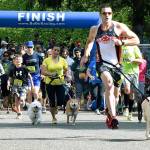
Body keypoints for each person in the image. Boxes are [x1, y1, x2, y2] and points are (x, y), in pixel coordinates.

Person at [80, 4, 140, 129]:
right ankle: (113, 117)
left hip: (117, 65)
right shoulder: (95, 29)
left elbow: (136, 40)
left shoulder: (118, 27)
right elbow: (90, 41)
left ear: (112, 14)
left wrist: (122, 42)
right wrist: (86, 54)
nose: (107, 15)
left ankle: (109, 111)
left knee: (116, 93)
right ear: (100, 15)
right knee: (108, 84)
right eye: (104, 13)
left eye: (109, 13)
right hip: (102, 63)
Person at [41, 45, 68, 124]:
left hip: (60, 82)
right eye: (55, 50)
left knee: (61, 100)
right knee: (52, 101)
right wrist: (51, 74)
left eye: (58, 51)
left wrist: (65, 76)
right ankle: (53, 118)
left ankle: (57, 107)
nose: (56, 52)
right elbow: (43, 71)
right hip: (50, 82)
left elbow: (66, 70)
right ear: (52, 51)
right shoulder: (46, 60)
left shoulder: (63, 60)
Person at [8, 54, 34, 119]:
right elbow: (10, 78)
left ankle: (24, 103)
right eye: (16, 60)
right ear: (14, 61)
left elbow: (30, 76)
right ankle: (19, 113)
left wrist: (32, 85)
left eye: (19, 60)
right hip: (15, 85)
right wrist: (8, 83)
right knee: (16, 99)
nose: (18, 61)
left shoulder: (24, 68)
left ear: (22, 61)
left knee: (21, 98)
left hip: (24, 85)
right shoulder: (12, 69)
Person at [122, 45, 142, 121]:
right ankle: (126, 108)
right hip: (124, 71)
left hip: (134, 72)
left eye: (125, 37)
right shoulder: (120, 46)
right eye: (122, 37)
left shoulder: (134, 47)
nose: (124, 39)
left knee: (132, 94)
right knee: (127, 89)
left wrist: (133, 60)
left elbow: (140, 61)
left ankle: (130, 113)